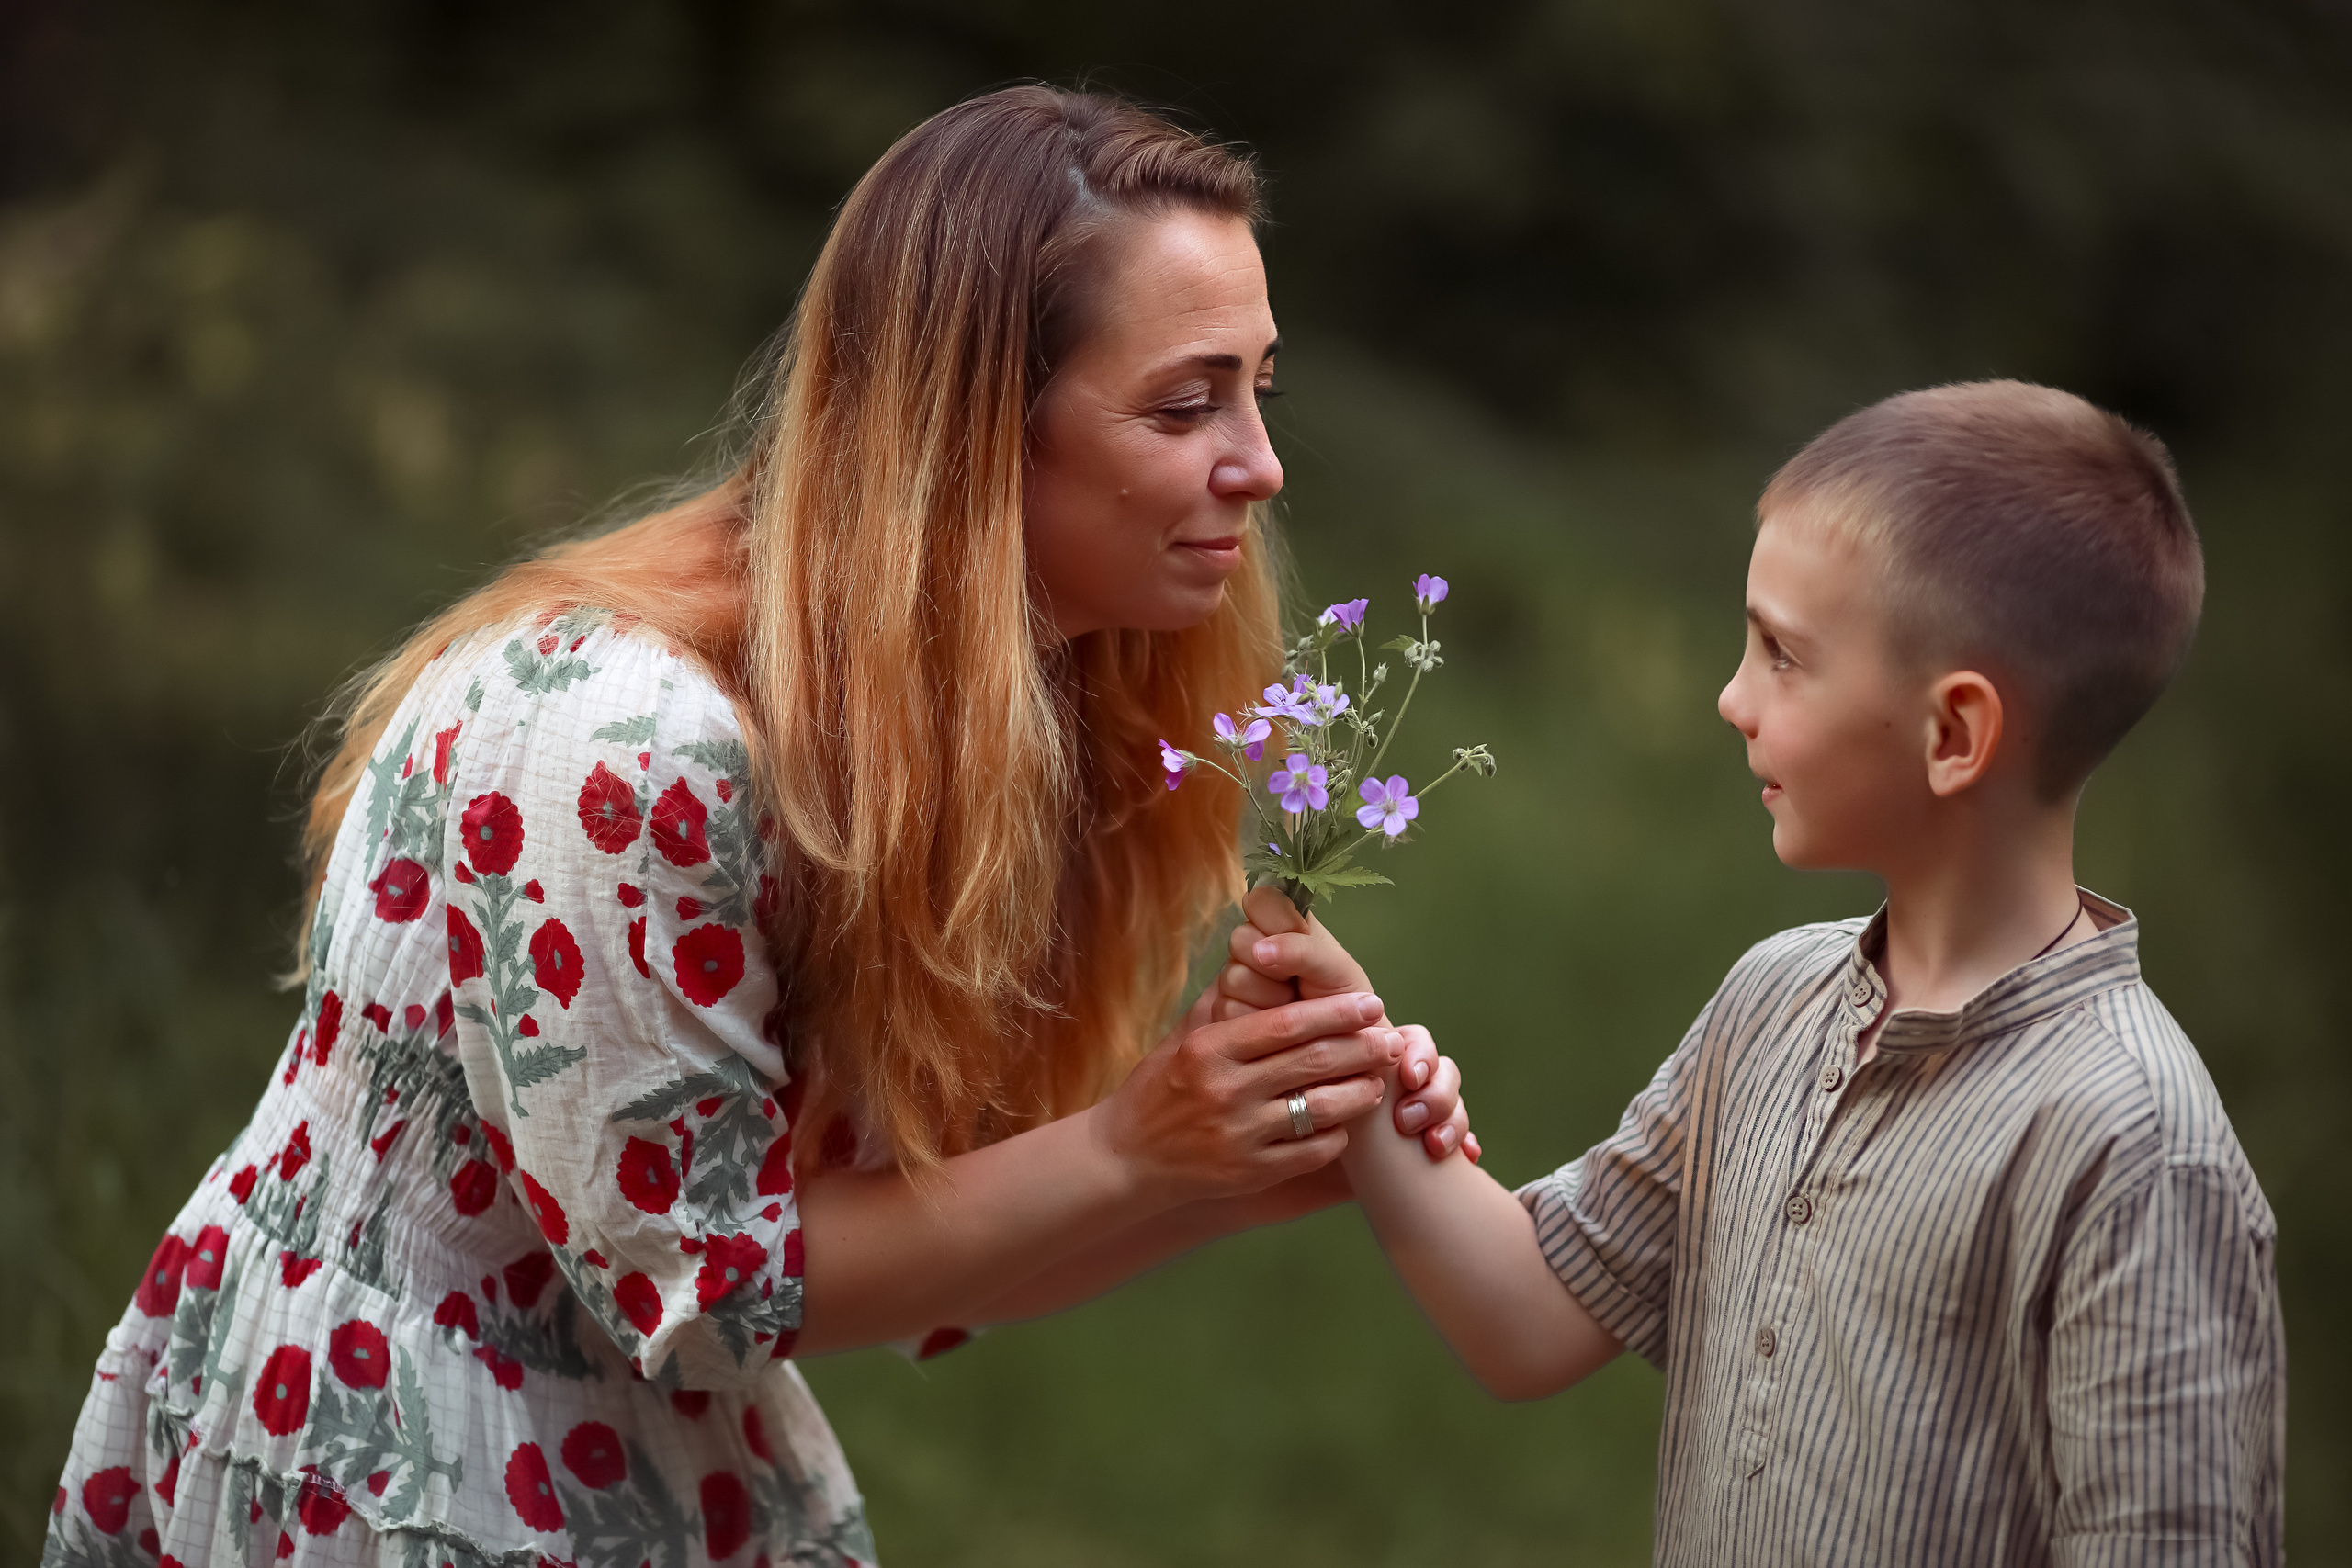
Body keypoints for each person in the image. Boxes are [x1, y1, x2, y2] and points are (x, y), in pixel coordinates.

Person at [45, 87, 1479, 1568]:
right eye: (1186, 404)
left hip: (651, 1449)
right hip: (397, 1449)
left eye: (1260, 390)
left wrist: (1227, 1169)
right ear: (975, 424)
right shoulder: (620, 737)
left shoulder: (991, 716)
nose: (1261, 462)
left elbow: (894, 1249)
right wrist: (1136, 1143)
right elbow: (712, 1290)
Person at [1220, 382, 2285, 1564]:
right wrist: (1352, 1059)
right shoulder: (1773, 1003)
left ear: (1954, 735)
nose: (1731, 698)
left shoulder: (2131, 1145)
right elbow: (1525, 1320)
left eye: (1781, 655)